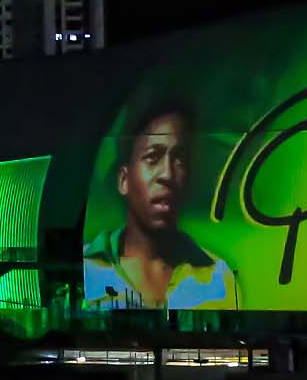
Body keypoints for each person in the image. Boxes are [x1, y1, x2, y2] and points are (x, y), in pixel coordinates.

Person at [83, 102, 240, 310]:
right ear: (124, 180)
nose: (167, 174)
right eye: (152, 157)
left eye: (179, 160)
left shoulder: (218, 277)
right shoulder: (86, 268)